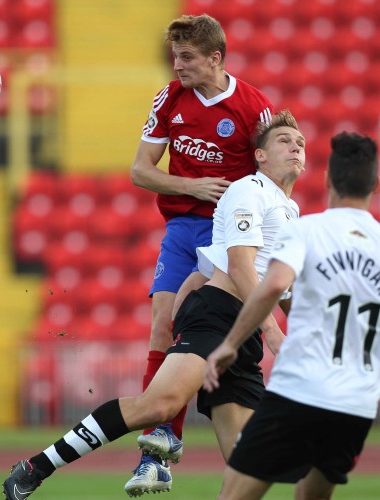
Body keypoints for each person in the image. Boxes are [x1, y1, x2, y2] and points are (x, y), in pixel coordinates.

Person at [2, 110, 305, 500]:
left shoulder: (292, 213)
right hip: (220, 314)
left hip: (242, 331)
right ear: (260, 156)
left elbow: (281, 288)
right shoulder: (249, 189)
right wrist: (275, 332)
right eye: (283, 141)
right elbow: (241, 265)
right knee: (158, 406)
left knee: (249, 466)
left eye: (299, 143)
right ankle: (35, 468)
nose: (295, 147)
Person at [203, 131, 380, 500]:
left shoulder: (306, 230)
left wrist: (231, 343)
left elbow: (270, 286)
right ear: (376, 184)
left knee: (234, 496)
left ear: (328, 180)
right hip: (356, 404)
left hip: (299, 390)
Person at [127, 12, 274, 492]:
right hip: (182, 227)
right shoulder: (170, 99)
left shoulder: (254, 108)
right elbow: (140, 171)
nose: (178, 66)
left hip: (229, 234)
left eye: (187, 58)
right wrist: (192, 184)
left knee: (213, 332)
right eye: (175, 56)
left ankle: (265, 428)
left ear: (215, 58)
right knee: (162, 320)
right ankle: (159, 443)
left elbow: (272, 177)